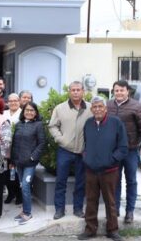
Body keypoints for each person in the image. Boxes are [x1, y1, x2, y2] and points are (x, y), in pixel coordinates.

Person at [78, 96, 128, 241]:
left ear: (106, 108)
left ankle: (112, 230)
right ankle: (90, 230)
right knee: (91, 201)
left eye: (100, 106)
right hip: (91, 171)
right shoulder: (88, 123)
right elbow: (85, 144)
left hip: (109, 171)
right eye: (95, 107)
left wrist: (111, 160)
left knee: (110, 201)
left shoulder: (116, 123)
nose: (98, 109)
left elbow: (123, 147)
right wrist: (86, 158)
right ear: (91, 109)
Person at [107, 80, 141, 224]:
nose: (119, 93)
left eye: (121, 90)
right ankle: (115, 210)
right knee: (115, 181)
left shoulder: (136, 106)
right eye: (116, 90)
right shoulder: (108, 105)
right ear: (113, 92)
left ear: (128, 91)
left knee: (131, 181)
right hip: (113, 151)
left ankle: (130, 211)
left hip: (130, 150)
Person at [48, 81, 92, 220]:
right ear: (69, 91)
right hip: (65, 150)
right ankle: (59, 209)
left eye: (78, 90)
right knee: (61, 181)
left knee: (81, 182)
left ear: (83, 91)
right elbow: (52, 126)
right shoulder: (60, 108)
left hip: (83, 151)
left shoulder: (90, 108)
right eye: (73, 90)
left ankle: (78, 209)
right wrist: (61, 139)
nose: (75, 92)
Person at [11, 102, 46, 225]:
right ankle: (24, 210)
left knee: (25, 185)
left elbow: (42, 143)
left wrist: (32, 157)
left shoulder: (38, 125)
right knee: (22, 186)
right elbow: (14, 144)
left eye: (32, 110)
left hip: (30, 163)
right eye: (27, 110)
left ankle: (27, 213)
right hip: (18, 162)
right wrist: (12, 160)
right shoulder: (19, 125)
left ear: (35, 112)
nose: (29, 112)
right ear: (23, 111)